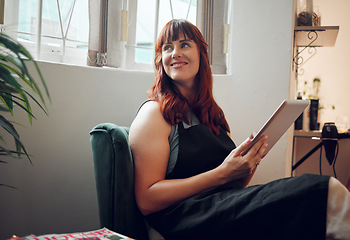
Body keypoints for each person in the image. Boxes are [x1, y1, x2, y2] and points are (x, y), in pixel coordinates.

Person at [129, 19, 350, 240]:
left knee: (316, 197)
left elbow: (231, 185)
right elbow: (147, 200)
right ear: (160, 60)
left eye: (184, 44)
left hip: (222, 207)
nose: (175, 53)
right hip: (184, 219)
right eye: (167, 47)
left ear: (201, 55)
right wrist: (221, 174)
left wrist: (246, 166)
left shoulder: (213, 115)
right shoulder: (154, 114)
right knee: (323, 190)